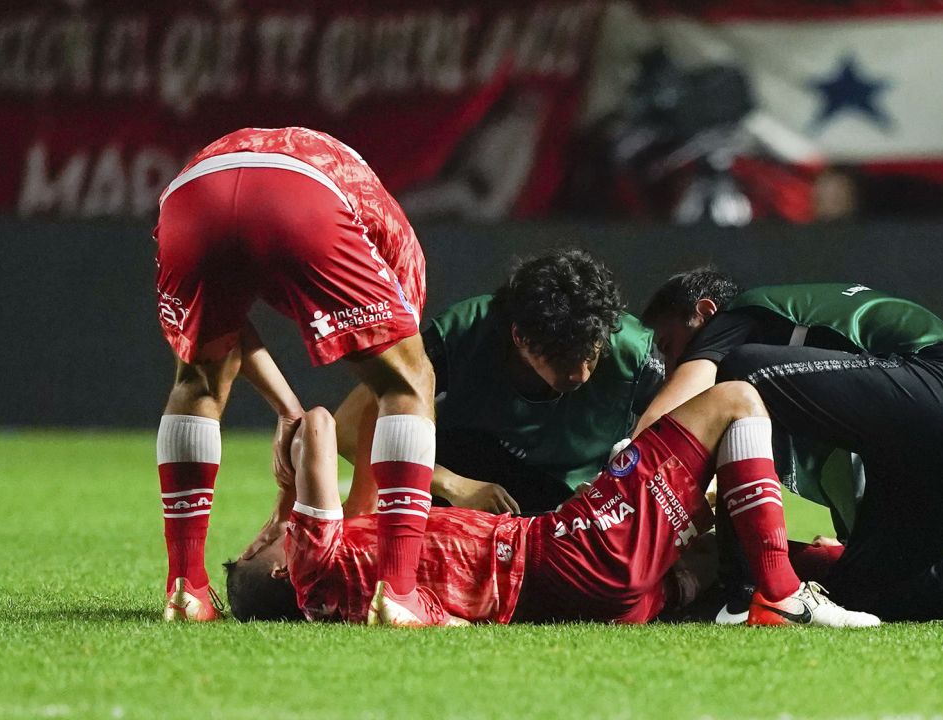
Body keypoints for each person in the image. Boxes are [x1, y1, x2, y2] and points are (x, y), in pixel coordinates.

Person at [637, 269, 943, 627]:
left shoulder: (737, 317)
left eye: (669, 345)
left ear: (703, 312)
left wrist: (616, 481)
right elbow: (852, 471)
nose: (670, 363)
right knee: (861, 590)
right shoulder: (815, 395)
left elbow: (672, 411)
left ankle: (740, 594)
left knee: (739, 375)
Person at [223, 384, 881, 628]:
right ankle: (783, 595)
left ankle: (847, 573)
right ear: (284, 570)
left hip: (588, 599)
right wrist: (287, 489)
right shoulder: (316, 564)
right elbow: (316, 424)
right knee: (733, 401)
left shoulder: (343, 590)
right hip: (560, 553)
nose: (266, 538)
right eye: (263, 548)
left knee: (710, 545)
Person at [153, 127, 444, 627]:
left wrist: (287, 408)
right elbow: (389, 393)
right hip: (299, 190)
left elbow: (223, 328)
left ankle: (187, 588)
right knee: (410, 378)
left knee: (197, 381)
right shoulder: (404, 255)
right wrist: (358, 513)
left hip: (191, 193)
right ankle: (399, 591)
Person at [333, 249, 665, 516]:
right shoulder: (464, 334)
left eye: (591, 355)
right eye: (561, 357)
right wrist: (452, 484)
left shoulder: (633, 350)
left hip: (575, 497)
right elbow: (347, 428)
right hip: (465, 480)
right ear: (519, 336)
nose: (580, 374)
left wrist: (615, 485)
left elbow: (685, 435)